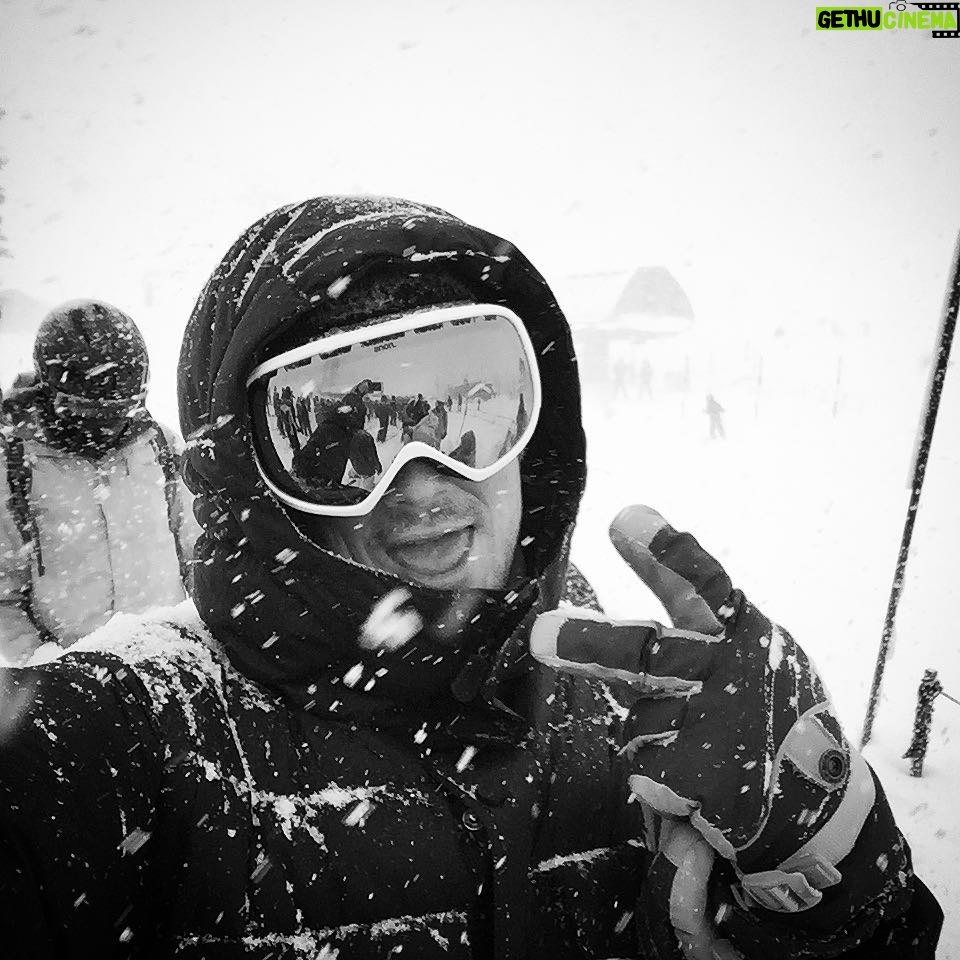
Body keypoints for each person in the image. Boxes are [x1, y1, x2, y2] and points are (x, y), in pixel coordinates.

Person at [0, 197, 941, 958]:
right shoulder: (123, 740)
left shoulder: (632, 699)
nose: (422, 483)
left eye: (468, 405)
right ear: (249, 479)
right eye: (334, 433)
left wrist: (816, 870)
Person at [0, 299, 200, 665]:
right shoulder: (13, 467)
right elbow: (4, 598)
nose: (109, 427)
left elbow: (198, 553)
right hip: (71, 683)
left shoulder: (158, 446)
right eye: (90, 413)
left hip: (167, 664)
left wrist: (198, 638)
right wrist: (47, 668)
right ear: (51, 395)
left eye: (121, 410)